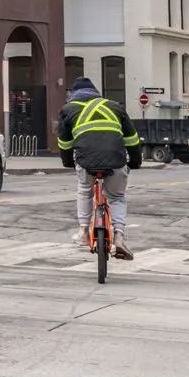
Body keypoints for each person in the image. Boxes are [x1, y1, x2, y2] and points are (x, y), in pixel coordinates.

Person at [56, 75, 144, 260]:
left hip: (85, 161)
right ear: (96, 94)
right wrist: (135, 162)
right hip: (116, 160)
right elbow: (132, 139)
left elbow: (65, 143)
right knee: (117, 197)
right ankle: (119, 235)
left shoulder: (68, 110)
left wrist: (68, 163)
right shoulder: (115, 107)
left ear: (74, 95)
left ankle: (83, 232)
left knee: (85, 190)